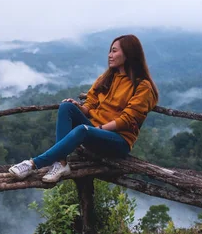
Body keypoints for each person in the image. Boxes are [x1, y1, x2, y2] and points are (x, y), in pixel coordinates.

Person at [9, 34, 159, 183]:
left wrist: (99, 128)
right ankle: (61, 163)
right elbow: (90, 105)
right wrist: (79, 108)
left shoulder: (142, 86)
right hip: (93, 131)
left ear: (129, 53)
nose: (110, 55)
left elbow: (128, 119)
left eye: (114, 51)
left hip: (118, 141)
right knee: (66, 107)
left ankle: (32, 164)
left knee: (83, 129)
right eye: (110, 51)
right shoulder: (106, 78)